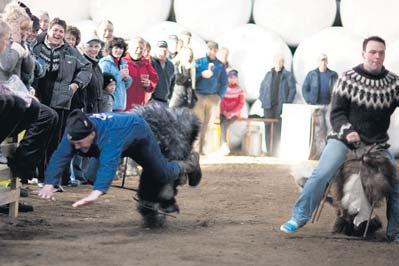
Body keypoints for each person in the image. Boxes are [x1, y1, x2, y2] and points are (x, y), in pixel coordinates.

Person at [280, 36, 399, 243]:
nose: (377, 56)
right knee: (322, 173)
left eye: (381, 52)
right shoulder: (347, 79)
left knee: (396, 184)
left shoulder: (393, 83)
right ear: (363, 54)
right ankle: (299, 216)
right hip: (343, 140)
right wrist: (348, 131)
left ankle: (395, 231)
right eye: (372, 52)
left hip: (376, 144)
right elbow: (336, 114)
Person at [37, 108, 201, 227]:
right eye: (74, 143)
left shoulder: (111, 136)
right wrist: (49, 183)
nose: (77, 147)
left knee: (162, 173)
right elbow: (60, 156)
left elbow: (109, 163)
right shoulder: (74, 130)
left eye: (80, 143)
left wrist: (96, 192)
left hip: (138, 137)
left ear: (92, 134)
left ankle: (189, 163)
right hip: (117, 133)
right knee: (80, 155)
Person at [193, 40, 228, 155]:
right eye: (210, 49)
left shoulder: (220, 65)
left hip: (213, 97)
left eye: (214, 50)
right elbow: (193, 78)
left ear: (216, 51)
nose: (212, 52)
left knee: (209, 124)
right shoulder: (199, 62)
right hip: (199, 96)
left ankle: (205, 149)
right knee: (198, 123)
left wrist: (219, 96)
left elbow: (224, 82)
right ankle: (196, 149)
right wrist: (201, 74)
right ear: (207, 49)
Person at [258, 55, 296, 156]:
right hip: (268, 106)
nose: (278, 63)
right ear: (274, 62)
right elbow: (262, 88)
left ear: (283, 63)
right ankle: (268, 150)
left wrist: (287, 104)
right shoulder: (268, 74)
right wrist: (263, 99)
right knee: (267, 127)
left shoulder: (287, 75)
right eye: (277, 61)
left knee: (278, 129)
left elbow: (292, 90)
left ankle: (275, 152)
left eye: (281, 61)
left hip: (280, 107)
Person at [123, 36, 158, 111]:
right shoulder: (122, 61)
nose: (139, 51)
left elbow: (154, 79)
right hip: (123, 105)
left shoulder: (146, 63)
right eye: (137, 48)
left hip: (139, 106)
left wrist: (149, 85)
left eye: (141, 48)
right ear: (130, 48)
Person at [99, 37, 132, 112]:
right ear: (111, 49)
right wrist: (120, 76)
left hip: (121, 104)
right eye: (116, 48)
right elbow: (104, 84)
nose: (119, 50)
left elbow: (124, 86)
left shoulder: (123, 63)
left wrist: (127, 79)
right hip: (109, 104)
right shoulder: (105, 63)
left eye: (121, 48)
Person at [219, 69, 245, 155]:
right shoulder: (224, 88)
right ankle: (223, 145)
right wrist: (224, 111)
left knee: (225, 123)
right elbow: (221, 101)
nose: (232, 79)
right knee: (222, 121)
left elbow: (240, 104)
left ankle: (223, 145)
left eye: (234, 77)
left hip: (234, 114)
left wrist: (232, 112)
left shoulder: (240, 90)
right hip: (224, 113)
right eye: (230, 77)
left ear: (236, 79)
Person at [150, 40, 175, 105]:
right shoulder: (151, 62)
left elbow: (173, 82)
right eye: (160, 50)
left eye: (164, 51)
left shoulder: (171, 65)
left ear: (167, 51)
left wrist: (169, 97)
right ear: (156, 50)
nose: (162, 53)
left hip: (165, 101)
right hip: (152, 101)